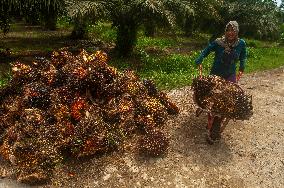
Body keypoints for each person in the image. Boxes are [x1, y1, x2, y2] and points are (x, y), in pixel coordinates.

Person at [194, 21, 247, 144]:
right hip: (215, 75)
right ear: (225, 31)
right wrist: (201, 57)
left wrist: (242, 64)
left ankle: (218, 120)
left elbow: (243, 55)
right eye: (228, 30)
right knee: (211, 100)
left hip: (230, 75)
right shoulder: (219, 42)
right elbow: (206, 50)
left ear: (237, 31)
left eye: (233, 30)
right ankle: (211, 121)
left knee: (230, 98)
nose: (230, 33)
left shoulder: (241, 44)